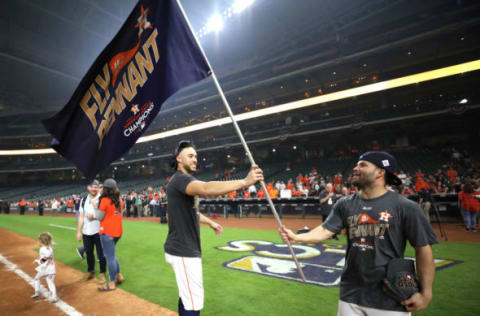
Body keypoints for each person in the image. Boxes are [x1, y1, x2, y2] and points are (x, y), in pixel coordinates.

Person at [280, 151, 437, 315]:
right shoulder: (345, 203)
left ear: (380, 172)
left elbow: (423, 249)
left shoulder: (405, 206)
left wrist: (426, 293)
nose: (355, 168)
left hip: (390, 296)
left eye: (363, 165)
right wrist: (296, 237)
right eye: (356, 164)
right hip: (351, 294)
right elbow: (325, 231)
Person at [164, 140, 263, 316]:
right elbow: (206, 188)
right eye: (190, 156)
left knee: (187, 297)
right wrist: (245, 182)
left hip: (181, 249)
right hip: (184, 251)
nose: (195, 159)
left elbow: (190, 212)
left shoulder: (181, 181)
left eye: (196, 156)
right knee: (193, 305)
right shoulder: (181, 179)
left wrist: (210, 222)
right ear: (179, 159)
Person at [94, 178, 124, 291]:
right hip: (118, 232)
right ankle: (119, 275)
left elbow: (99, 217)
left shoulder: (104, 200)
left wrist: (95, 206)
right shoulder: (120, 200)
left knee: (109, 257)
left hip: (107, 232)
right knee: (112, 254)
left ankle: (112, 282)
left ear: (106, 189)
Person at [76, 180, 107, 283]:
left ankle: (102, 274)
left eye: (96, 186)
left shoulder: (102, 199)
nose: (94, 188)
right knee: (89, 252)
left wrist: (94, 217)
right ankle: (90, 272)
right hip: (86, 232)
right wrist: (78, 231)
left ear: (98, 188)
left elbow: (105, 216)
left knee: (101, 254)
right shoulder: (83, 200)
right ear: (88, 187)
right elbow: (81, 217)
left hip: (99, 231)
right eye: (92, 186)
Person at [32, 232, 58, 303]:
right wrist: (40, 260)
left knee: (37, 279)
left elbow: (45, 258)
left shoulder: (42, 249)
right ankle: (54, 297)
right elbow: (47, 256)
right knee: (50, 282)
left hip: (44, 269)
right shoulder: (50, 248)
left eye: (38, 240)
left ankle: (37, 292)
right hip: (52, 269)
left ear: (41, 241)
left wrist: (38, 261)